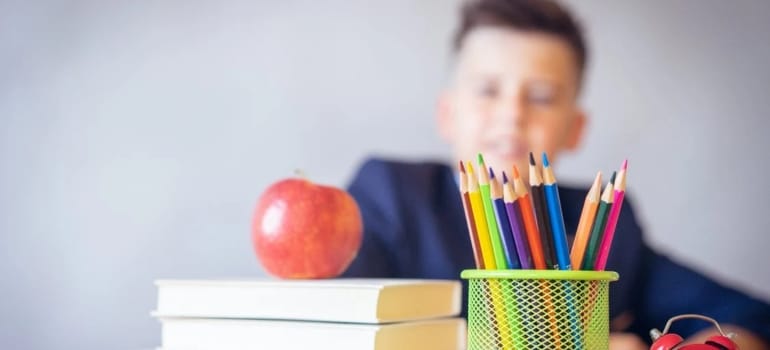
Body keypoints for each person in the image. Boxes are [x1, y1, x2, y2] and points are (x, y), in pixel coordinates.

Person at [341, 0, 770, 348]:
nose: (512, 114)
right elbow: (338, 327)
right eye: (488, 90)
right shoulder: (391, 193)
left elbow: (750, 317)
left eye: (543, 97)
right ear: (447, 114)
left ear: (575, 129)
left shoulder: (604, 222)